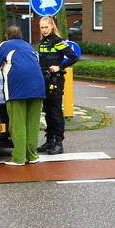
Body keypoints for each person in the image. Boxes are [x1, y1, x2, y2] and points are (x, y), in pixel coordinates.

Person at [0, 25, 46, 166]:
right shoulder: (29, 47)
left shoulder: (5, 46)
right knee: (33, 124)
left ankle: (18, 158)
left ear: (7, 36)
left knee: (18, 124)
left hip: (17, 88)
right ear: (21, 35)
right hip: (38, 88)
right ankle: (32, 155)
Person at [36, 15, 79, 155]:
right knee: (47, 111)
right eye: (41, 27)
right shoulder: (42, 42)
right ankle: (49, 141)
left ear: (52, 26)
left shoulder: (57, 41)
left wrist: (59, 66)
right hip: (44, 80)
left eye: (46, 27)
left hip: (56, 80)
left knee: (55, 112)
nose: (43, 30)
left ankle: (59, 143)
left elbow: (73, 57)